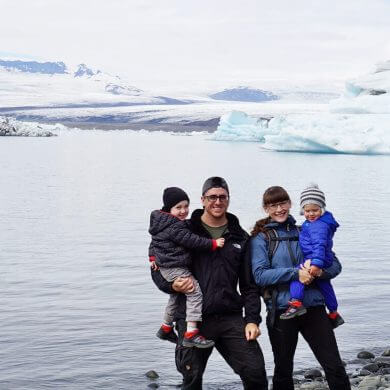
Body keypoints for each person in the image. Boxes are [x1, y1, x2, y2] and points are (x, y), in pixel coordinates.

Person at [151, 177, 268, 390]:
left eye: (222, 197)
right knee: (191, 379)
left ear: (228, 200)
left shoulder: (239, 238)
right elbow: (160, 267)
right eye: (212, 197)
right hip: (192, 319)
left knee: (256, 372)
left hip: (229, 316)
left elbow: (249, 285)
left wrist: (252, 320)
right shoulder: (184, 231)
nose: (217, 201)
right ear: (203, 200)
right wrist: (171, 286)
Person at [250, 186, 351, 390]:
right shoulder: (261, 238)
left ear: (290, 204)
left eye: (283, 203)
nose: (279, 209)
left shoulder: (306, 229)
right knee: (283, 370)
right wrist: (296, 273)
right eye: (273, 205)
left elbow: (335, 265)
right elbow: (260, 275)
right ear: (266, 208)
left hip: (314, 307)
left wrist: (319, 273)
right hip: (281, 310)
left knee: (334, 365)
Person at [149, 186, 225, 348]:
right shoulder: (175, 226)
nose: (183, 211)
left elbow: (154, 243)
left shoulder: (161, 224)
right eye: (178, 207)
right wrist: (213, 243)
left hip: (166, 266)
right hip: (175, 266)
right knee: (194, 291)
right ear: (169, 209)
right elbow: (192, 241)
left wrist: (152, 257)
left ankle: (166, 327)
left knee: (176, 296)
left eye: (186, 206)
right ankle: (191, 332)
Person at [280, 183, 344, 328]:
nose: (311, 214)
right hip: (323, 258)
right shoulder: (317, 223)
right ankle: (333, 312)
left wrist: (315, 263)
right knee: (324, 284)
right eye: (307, 210)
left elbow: (320, 244)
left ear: (322, 209)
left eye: (315, 210)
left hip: (316, 258)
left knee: (298, 274)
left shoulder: (318, 226)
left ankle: (296, 303)